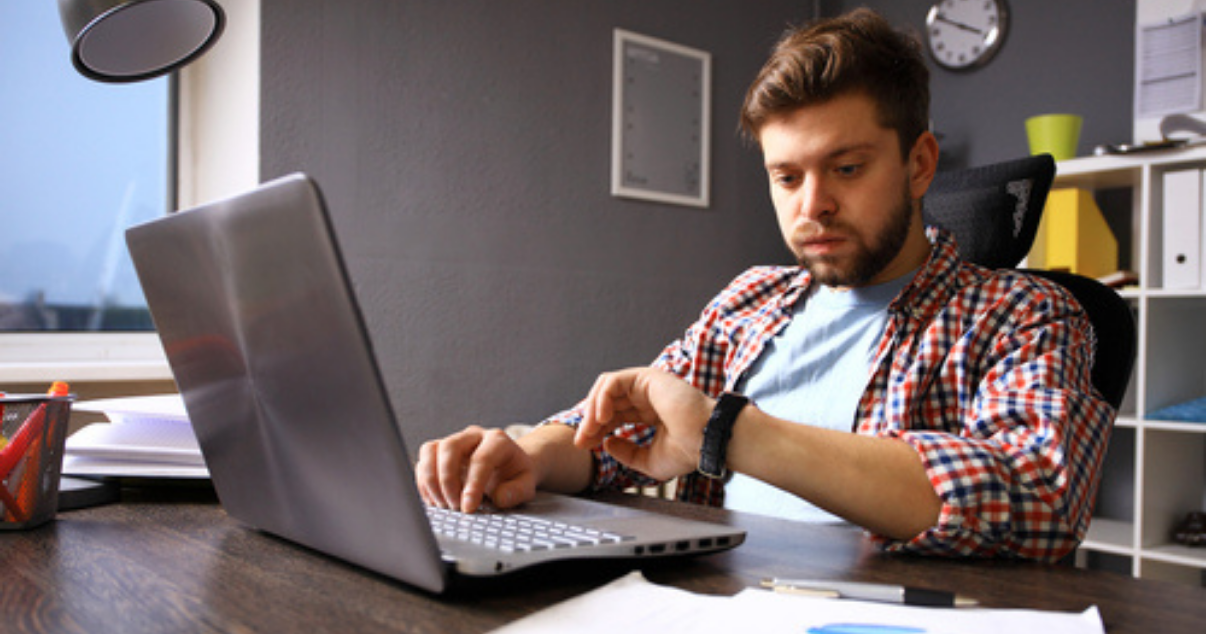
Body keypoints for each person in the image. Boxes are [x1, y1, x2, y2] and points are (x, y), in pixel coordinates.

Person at [415, 8, 1114, 563]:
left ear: (920, 163)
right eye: (787, 176)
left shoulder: (1024, 314)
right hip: (703, 603)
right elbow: (619, 431)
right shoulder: (750, 300)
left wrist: (727, 432)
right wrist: (526, 455)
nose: (811, 206)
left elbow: (1037, 497)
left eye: (846, 168)